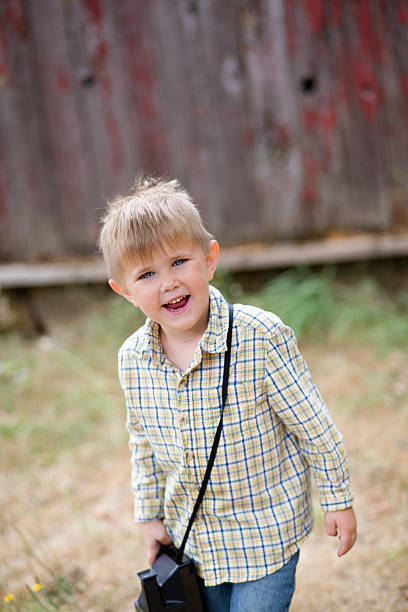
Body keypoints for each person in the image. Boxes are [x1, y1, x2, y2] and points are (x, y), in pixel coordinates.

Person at [98, 176, 357, 612]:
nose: (168, 283)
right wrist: (149, 516)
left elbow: (315, 428)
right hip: (194, 542)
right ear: (124, 290)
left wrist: (338, 499)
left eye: (180, 262)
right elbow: (141, 444)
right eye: (146, 274)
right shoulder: (133, 360)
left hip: (266, 537)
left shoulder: (260, 336)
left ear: (209, 258)